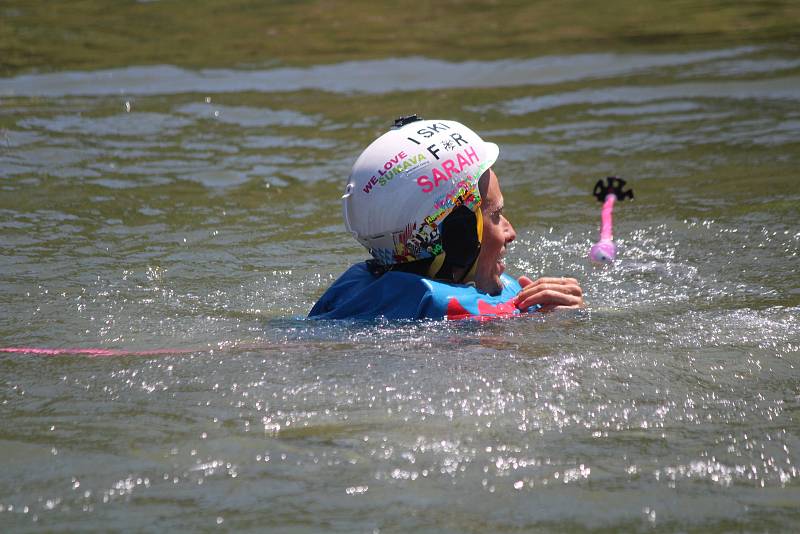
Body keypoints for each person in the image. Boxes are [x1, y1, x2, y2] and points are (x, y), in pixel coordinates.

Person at [309, 116, 584, 320]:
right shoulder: (437, 313)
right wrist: (548, 321)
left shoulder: (362, 297)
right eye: (496, 215)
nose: (511, 232)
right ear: (459, 234)